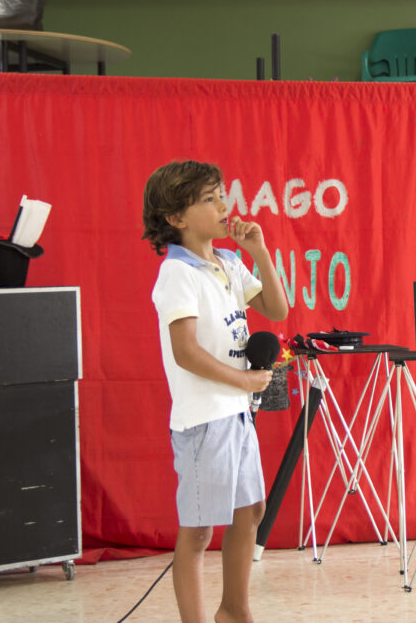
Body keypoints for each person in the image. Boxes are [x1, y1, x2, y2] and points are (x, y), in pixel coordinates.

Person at [142, 159, 290, 623]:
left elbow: (278, 309)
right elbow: (186, 352)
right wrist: (245, 381)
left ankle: (234, 610)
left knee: (251, 509)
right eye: (210, 199)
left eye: (223, 194)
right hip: (204, 419)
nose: (225, 205)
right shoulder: (177, 274)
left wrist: (259, 250)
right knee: (199, 530)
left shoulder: (228, 262)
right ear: (176, 219)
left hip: (236, 412)